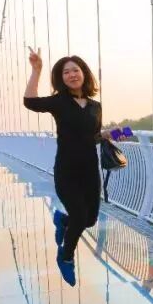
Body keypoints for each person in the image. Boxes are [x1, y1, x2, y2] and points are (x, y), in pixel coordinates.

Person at [23, 48, 106, 287]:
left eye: (75, 70)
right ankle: (66, 257)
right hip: (67, 171)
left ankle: (62, 220)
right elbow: (30, 102)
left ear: (84, 73)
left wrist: (117, 133)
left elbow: (93, 136)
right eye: (66, 72)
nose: (72, 75)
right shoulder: (59, 102)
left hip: (90, 170)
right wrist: (37, 70)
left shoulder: (95, 106)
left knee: (89, 220)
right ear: (62, 78)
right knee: (79, 215)